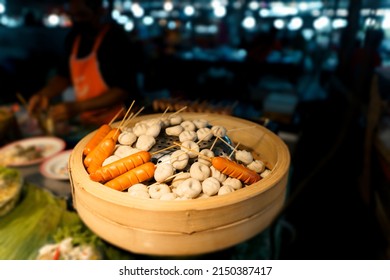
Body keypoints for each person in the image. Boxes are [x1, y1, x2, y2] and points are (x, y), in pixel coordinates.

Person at [28, 0, 141, 127]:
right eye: (72, 15)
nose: (77, 21)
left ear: (99, 11)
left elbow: (123, 89)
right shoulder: (73, 38)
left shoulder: (115, 38)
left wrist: (78, 107)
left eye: (81, 15)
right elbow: (64, 76)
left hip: (121, 119)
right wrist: (44, 94)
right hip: (89, 122)